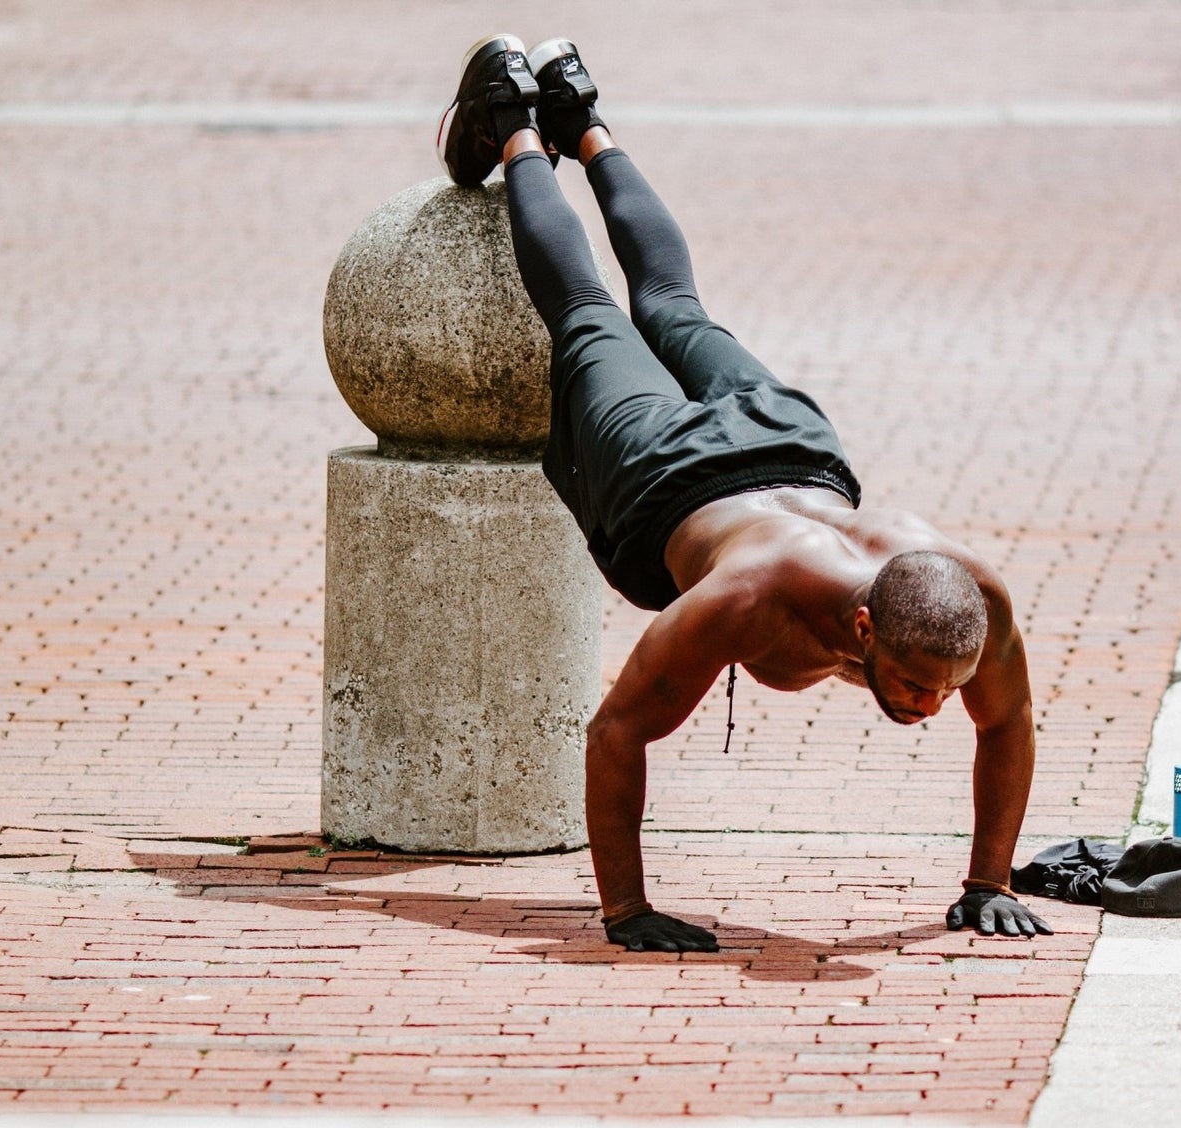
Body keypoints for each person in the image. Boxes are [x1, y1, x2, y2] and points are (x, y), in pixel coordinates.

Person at [437, 35, 1053, 952]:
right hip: (664, 470)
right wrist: (625, 911)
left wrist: (987, 882)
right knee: (589, 312)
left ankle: (585, 116)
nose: (931, 710)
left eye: (942, 691)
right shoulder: (743, 600)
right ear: (863, 628)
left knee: (676, 307)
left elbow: (1007, 722)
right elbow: (615, 734)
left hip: (793, 447)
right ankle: (517, 119)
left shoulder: (972, 599)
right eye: (920, 690)